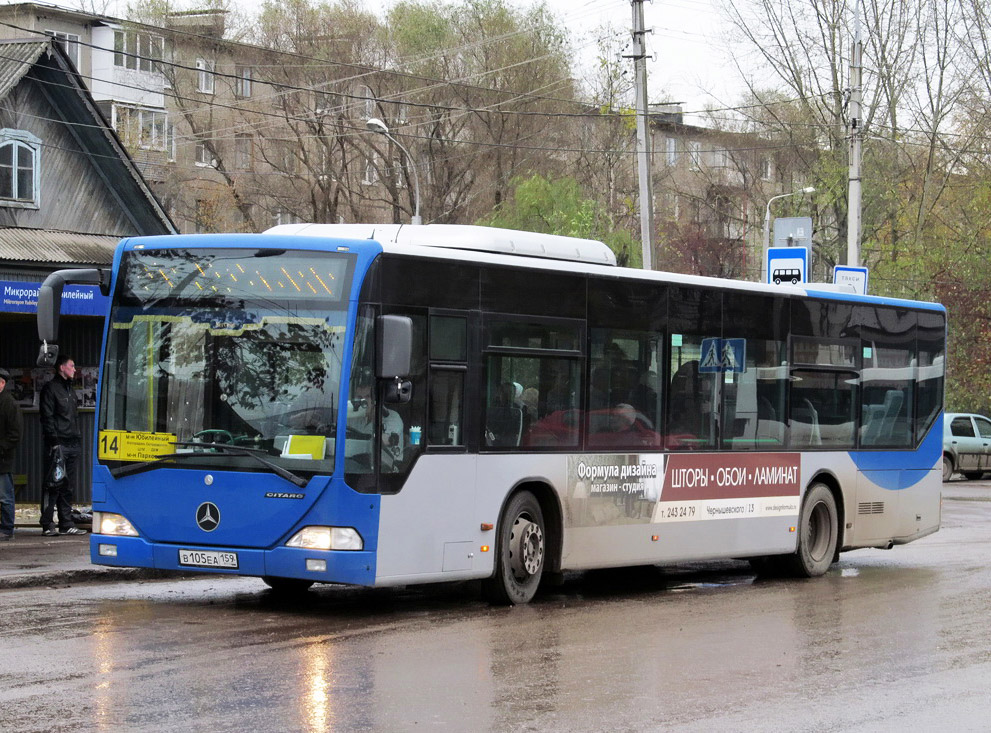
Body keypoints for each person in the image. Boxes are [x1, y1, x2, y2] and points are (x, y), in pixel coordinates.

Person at [39, 355, 87, 536]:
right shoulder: (50, 389)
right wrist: (54, 442)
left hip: (72, 443)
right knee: (53, 484)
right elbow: (47, 417)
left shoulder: (71, 391)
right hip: (58, 444)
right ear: (61, 367)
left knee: (68, 485)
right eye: (72, 366)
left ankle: (66, 523)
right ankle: (47, 523)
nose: (75, 369)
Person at [0, 367, 23, 541]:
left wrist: (2, 448)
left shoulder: (9, 404)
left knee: (5, 496)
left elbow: (15, 433)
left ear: (2, 383)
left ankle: (7, 529)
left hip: (2, 459)